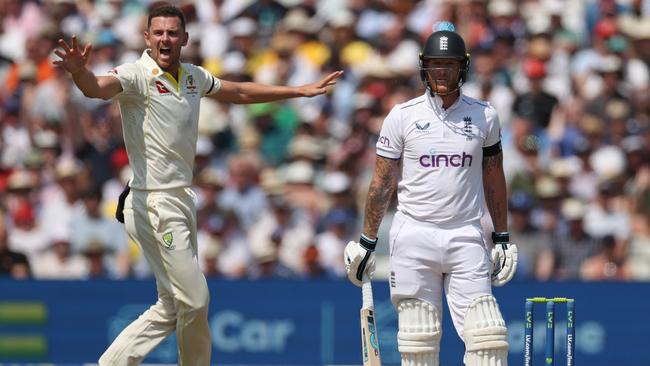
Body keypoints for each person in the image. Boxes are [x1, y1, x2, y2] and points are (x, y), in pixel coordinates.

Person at [53, 5, 342, 366]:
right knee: (195, 299)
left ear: (185, 39)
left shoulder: (193, 77)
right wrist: (81, 73)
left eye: (173, 33)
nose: (165, 39)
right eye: (158, 32)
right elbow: (97, 89)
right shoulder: (136, 75)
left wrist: (298, 91)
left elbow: (239, 92)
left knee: (173, 305)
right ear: (146, 37)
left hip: (180, 199)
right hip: (152, 202)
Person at [344, 22, 517, 366]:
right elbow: (381, 182)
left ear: (462, 67)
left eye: (449, 64)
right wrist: (366, 242)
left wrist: (501, 236)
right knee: (418, 343)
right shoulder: (401, 116)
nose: (442, 71)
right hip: (414, 236)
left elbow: (493, 175)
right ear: (424, 66)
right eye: (436, 64)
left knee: (488, 339)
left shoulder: (484, 115)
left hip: (466, 233)